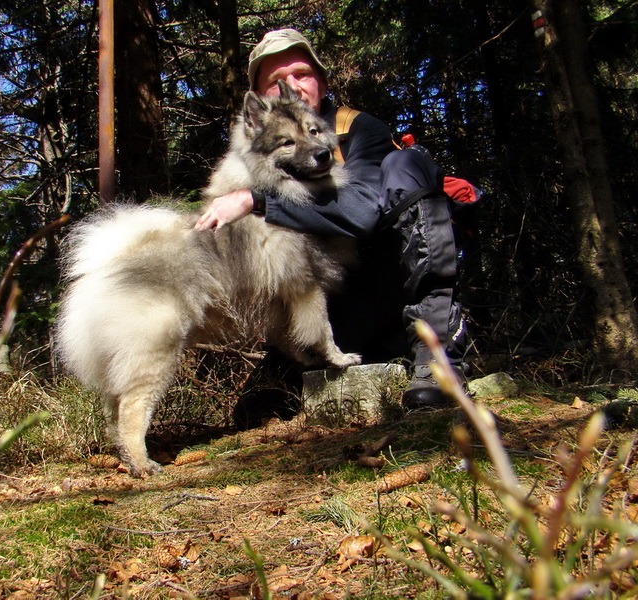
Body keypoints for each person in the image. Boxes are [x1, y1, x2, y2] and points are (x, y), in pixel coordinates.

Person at [195, 28, 472, 410]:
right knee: (254, 412)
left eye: (301, 73)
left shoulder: (357, 128)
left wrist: (255, 200)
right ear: (260, 100)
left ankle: (436, 352)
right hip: (321, 314)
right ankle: (300, 355)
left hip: (384, 295)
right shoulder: (257, 148)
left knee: (407, 163)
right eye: (275, 81)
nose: (291, 85)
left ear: (322, 82)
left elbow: (362, 213)